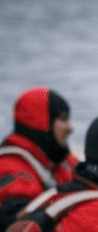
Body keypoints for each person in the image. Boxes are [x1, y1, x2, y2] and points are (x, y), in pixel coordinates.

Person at [0, 87, 77, 223]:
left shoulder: (55, 161)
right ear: (41, 124)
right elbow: (23, 230)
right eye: (63, 119)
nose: (70, 128)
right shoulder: (11, 170)